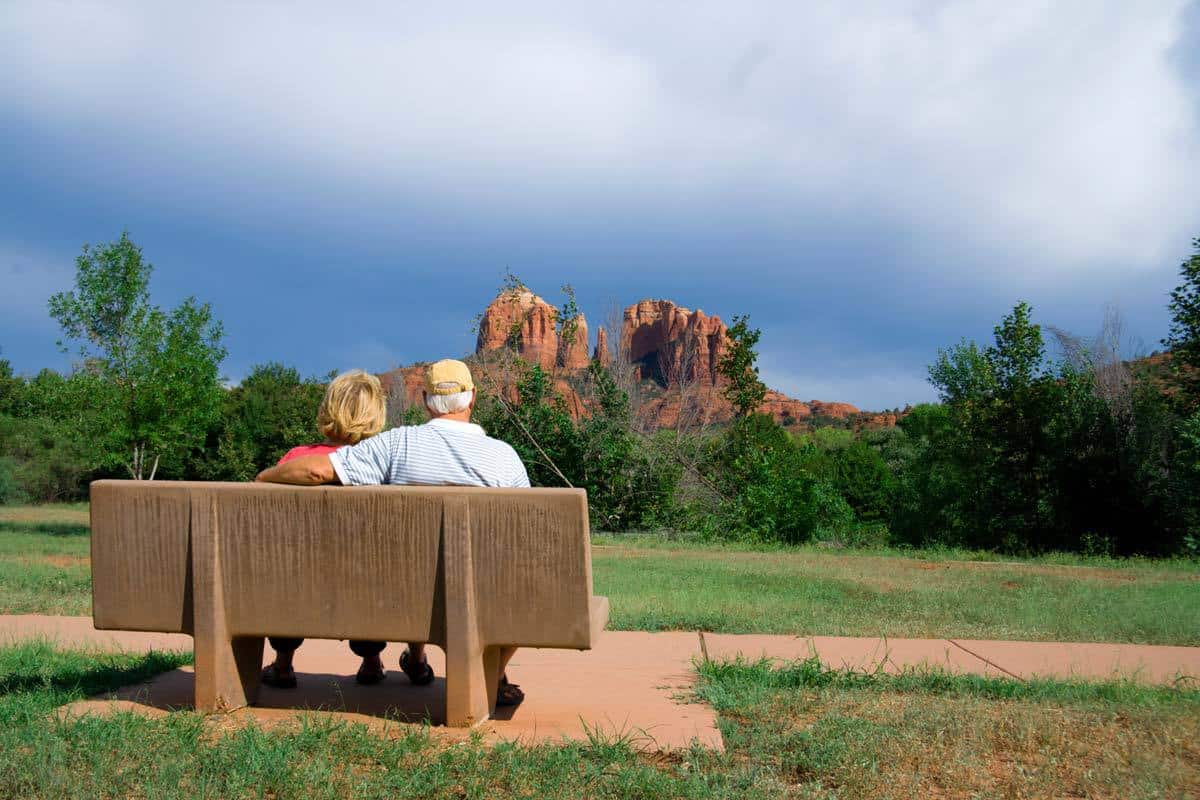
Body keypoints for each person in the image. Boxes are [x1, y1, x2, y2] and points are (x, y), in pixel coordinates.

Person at [256, 358, 531, 705]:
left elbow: (317, 471)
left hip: (403, 592)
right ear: (472, 397)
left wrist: (263, 476)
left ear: (425, 400)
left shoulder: (395, 445)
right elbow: (524, 535)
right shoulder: (504, 457)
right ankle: (493, 671)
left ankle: (294, 663)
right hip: (479, 589)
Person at [259, 369, 392, 689]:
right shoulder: (382, 465)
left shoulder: (295, 459)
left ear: (328, 408)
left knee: (286, 572)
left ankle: (283, 663)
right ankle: (371, 661)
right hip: (367, 588)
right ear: (376, 416)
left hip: (298, 584)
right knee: (372, 571)